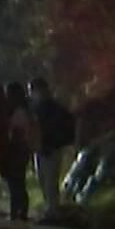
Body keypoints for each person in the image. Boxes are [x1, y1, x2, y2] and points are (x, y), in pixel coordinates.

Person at [29, 77, 77, 220]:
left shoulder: (54, 108)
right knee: (43, 180)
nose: (32, 94)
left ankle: (53, 211)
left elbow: (63, 126)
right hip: (40, 149)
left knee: (50, 182)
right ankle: (49, 208)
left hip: (51, 149)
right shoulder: (35, 108)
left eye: (34, 90)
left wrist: (57, 142)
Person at [2, 82, 39, 222]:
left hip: (17, 149)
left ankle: (17, 211)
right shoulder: (25, 110)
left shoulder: (19, 111)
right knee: (17, 181)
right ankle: (19, 210)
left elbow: (18, 131)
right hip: (21, 149)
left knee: (15, 181)